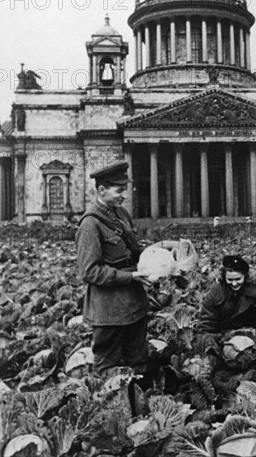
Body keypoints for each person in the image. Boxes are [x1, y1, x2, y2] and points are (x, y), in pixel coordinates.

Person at [76, 161, 151, 375]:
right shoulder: (90, 225)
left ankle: (139, 404)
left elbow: (132, 251)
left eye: (125, 189)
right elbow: (90, 272)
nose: (124, 195)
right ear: (101, 190)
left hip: (134, 303)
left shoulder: (121, 214)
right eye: (119, 190)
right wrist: (131, 276)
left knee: (138, 362)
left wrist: (159, 254)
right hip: (108, 309)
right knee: (107, 367)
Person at [198, 255, 256, 335]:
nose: (234, 283)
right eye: (230, 279)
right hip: (224, 338)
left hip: (253, 334)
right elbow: (206, 324)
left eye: (238, 279)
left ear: (245, 276)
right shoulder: (215, 292)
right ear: (224, 277)